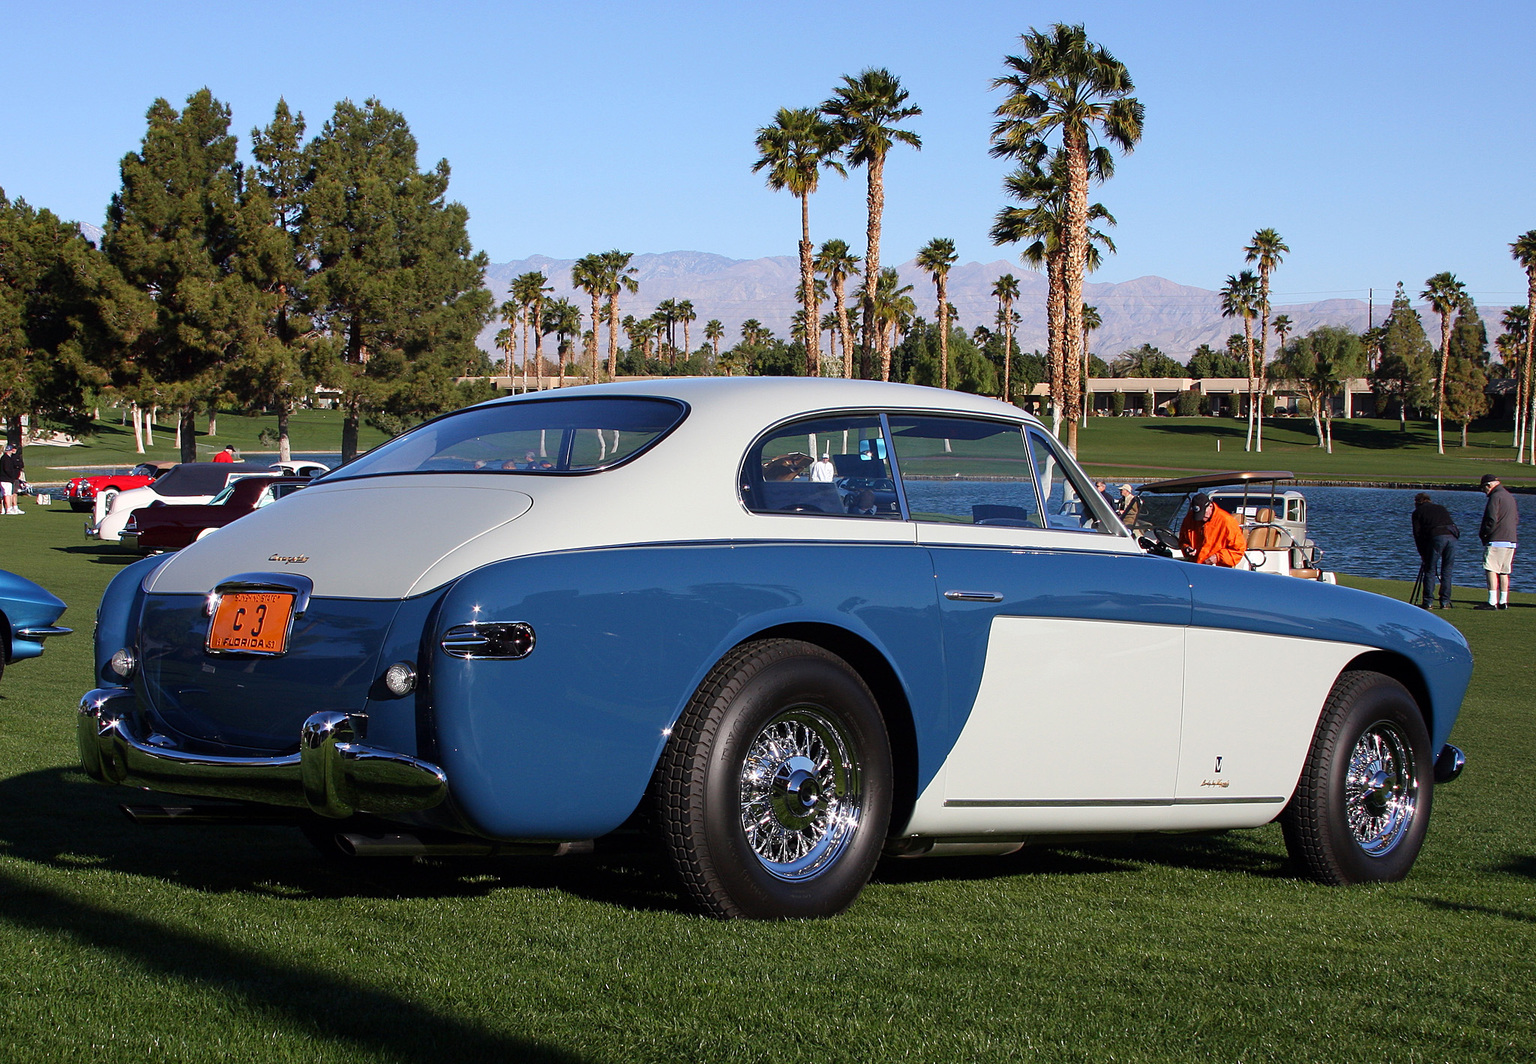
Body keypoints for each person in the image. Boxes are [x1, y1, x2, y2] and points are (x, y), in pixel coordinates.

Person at [1476, 473, 1518, 610]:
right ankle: (1503, 601)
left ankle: (1491, 601)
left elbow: (1491, 519)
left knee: (1491, 569)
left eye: (1484, 489)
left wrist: (1485, 534)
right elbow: (1516, 519)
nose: (1484, 492)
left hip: (1497, 539)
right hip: (1511, 539)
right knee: (1504, 571)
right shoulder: (1509, 496)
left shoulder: (1495, 496)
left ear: (1489, 485)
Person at [1410, 492, 1458, 609]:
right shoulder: (1441, 508)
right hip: (1452, 537)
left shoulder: (1417, 512)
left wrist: (1422, 554)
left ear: (1417, 502)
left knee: (1430, 569)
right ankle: (1445, 601)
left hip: (1436, 538)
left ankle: (1428, 601)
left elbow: (1418, 534)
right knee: (1447, 570)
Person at [1178, 492, 1246, 567]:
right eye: (1199, 515)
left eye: (1203, 514)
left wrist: (1217, 557)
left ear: (1210, 506)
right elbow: (1182, 540)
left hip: (1217, 569)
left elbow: (1239, 550)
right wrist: (1186, 548)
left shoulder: (1227, 521)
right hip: (1195, 566)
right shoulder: (1190, 518)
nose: (1202, 518)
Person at [0, 442, 23, 515]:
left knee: (7, 494)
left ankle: (6, 509)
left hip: (6, 479)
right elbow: (7, 469)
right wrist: (12, 475)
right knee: (7, 494)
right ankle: (8, 509)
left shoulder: (6, 458)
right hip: (6, 479)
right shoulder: (6, 459)